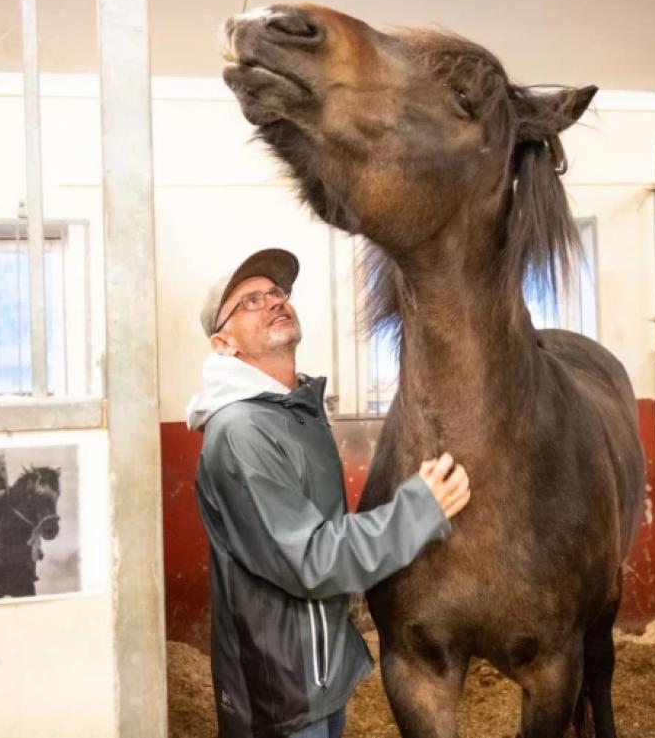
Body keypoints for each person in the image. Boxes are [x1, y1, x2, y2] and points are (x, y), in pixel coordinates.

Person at [187, 248, 471, 738]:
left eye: (276, 292)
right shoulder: (242, 432)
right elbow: (310, 558)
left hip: (314, 672)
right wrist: (418, 511)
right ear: (223, 343)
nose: (273, 301)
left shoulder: (290, 413)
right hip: (281, 692)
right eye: (250, 301)